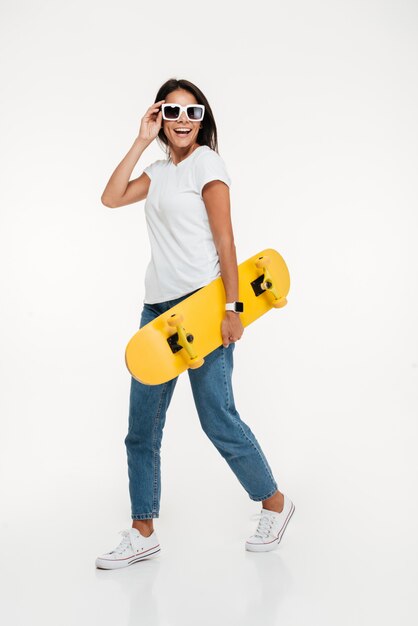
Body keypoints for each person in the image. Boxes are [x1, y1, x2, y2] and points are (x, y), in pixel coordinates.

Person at [95, 78, 295, 569]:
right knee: (141, 428)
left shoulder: (209, 165)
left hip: (205, 306)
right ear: (160, 116)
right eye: (172, 111)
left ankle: (275, 503)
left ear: (202, 120)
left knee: (217, 417)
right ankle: (143, 530)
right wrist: (141, 140)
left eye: (192, 112)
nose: (182, 120)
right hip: (156, 311)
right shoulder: (159, 171)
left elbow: (227, 241)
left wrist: (234, 308)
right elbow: (111, 197)